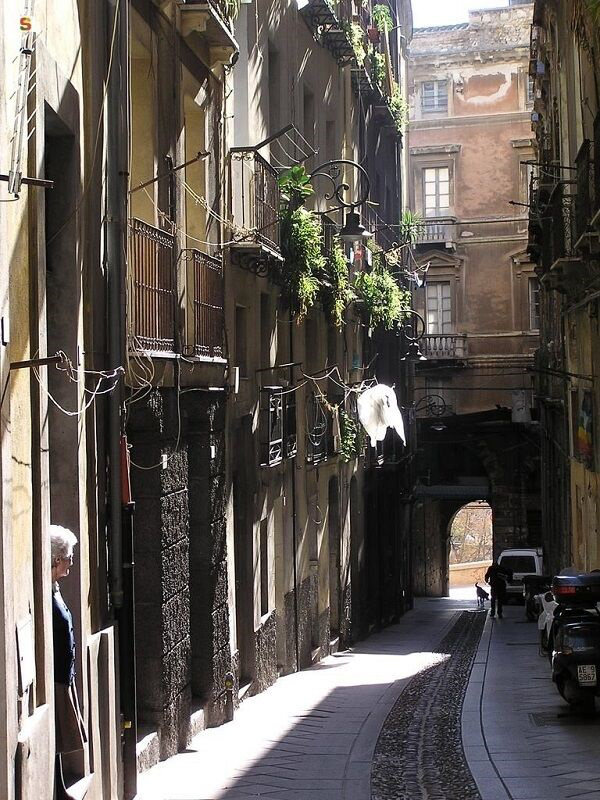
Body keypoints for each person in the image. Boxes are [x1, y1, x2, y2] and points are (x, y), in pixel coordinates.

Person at [51, 525, 87, 799]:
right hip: (57, 678)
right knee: (57, 734)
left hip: (65, 674)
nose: (71, 562)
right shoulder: (47, 592)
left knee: (61, 736)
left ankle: (59, 786)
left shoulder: (55, 588)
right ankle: (57, 788)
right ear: (55, 560)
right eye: (68, 556)